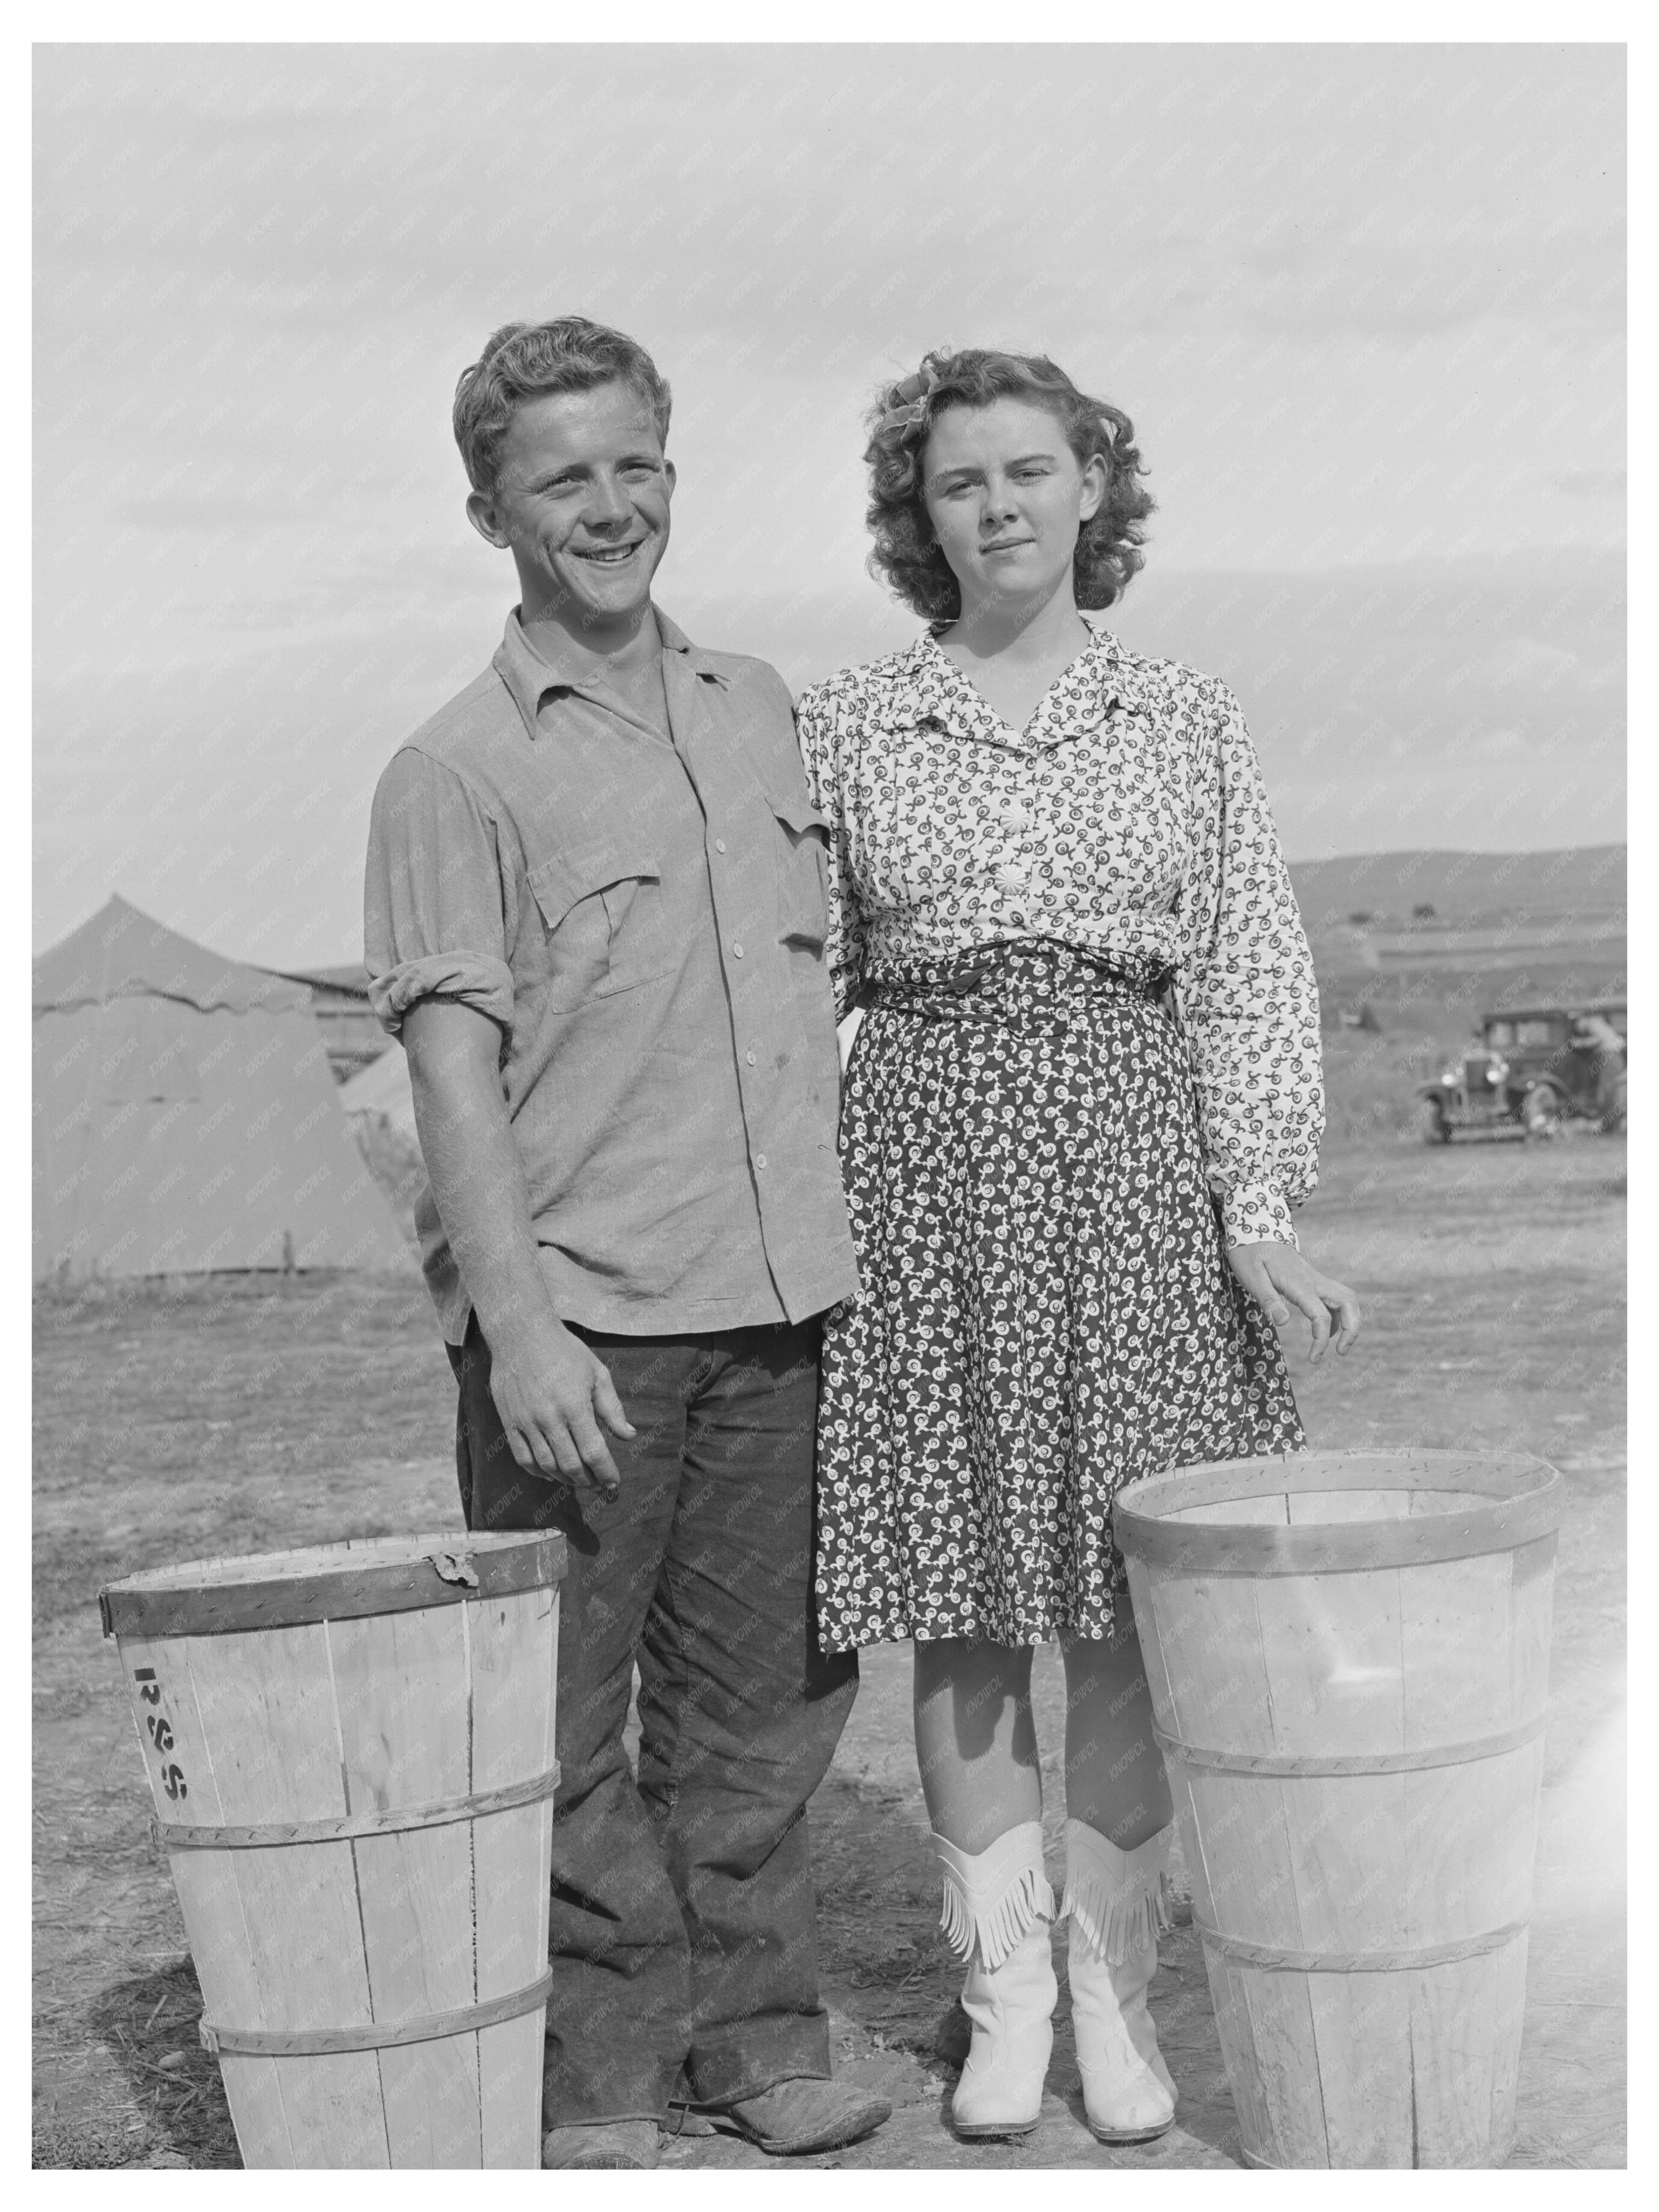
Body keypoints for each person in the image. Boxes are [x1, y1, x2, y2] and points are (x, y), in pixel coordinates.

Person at [797, 348, 1362, 2147]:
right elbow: (802, 989)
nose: (1003, 507)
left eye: (1034, 471)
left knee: (1121, 1619)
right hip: (929, 1173)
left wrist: (1254, 1207)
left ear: (1096, 489)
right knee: (965, 1620)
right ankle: (1006, 2004)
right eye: (962, 482)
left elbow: (1254, 958)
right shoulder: (849, 721)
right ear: (919, 515)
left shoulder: (1184, 714)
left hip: (1136, 1168)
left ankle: (1115, 1995)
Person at [363, 317, 891, 2171]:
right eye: (562, 476)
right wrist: (519, 1330)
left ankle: (756, 2040)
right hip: (579, 1333)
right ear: (488, 508)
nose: (610, 506)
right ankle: (596, 2072)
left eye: (635, 464)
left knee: (767, 1719)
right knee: (563, 1728)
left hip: (780, 1316)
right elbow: (450, 1077)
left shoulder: (766, 710)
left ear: (675, 467)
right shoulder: (452, 771)